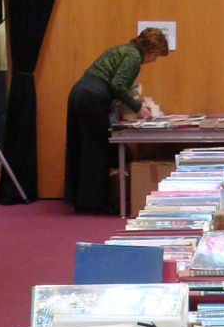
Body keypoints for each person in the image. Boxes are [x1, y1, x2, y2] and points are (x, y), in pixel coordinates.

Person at [64, 27, 170, 214]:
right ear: (151, 51)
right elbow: (118, 85)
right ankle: (95, 204)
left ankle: (79, 199)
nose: (153, 61)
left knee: (81, 146)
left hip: (80, 92)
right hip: (93, 98)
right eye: (156, 56)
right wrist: (138, 108)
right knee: (98, 149)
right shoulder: (134, 58)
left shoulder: (123, 49)